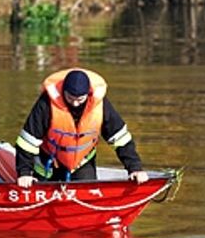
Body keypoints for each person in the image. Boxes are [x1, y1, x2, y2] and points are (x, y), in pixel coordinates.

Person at [14, 68, 149, 187]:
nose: (75, 103)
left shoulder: (101, 106)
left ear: (88, 94)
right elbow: (27, 142)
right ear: (63, 92)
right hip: (47, 164)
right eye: (70, 98)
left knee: (88, 193)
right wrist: (24, 173)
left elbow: (120, 139)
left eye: (80, 99)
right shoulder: (46, 105)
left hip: (82, 163)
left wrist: (135, 168)